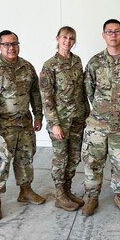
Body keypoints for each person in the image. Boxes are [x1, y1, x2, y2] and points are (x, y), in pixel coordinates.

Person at [0, 30, 45, 220]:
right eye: (6, 44)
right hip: (2, 126)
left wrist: (38, 116)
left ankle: (25, 190)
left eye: (14, 43)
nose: (11, 47)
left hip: (24, 124)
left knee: (25, 159)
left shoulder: (27, 67)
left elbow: (35, 94)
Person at [81, 19, 120, 217]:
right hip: (97, 124)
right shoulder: (95, 62)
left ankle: (119, 195)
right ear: (103, 35)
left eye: (116, 31)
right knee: (93, 162)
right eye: (109, 32)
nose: (113, 35)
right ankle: (92, 197)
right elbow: (89, 90)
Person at [39, 26, 89, 212]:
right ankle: (60, 195)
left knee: (74, 156)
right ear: (58, 39)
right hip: (60, 121)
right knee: (61, 158)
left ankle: (67, 191)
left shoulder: (77, 61)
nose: (68, 41)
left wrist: (86, 112)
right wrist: (54, 124)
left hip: (77, 117)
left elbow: (81, 90)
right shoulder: (50, 65)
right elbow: (47, 97)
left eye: (71, 38)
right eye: (65, 37)